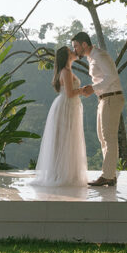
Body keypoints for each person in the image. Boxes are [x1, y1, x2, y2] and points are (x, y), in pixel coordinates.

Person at [29, 46, 88, 187]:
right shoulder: (66, 72)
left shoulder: (67, 70)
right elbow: (70, 93)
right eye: (71, 51)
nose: (74, 52)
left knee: (67, 140)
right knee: (65, 139)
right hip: (66, 106)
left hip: (68, 106)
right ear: (67, 56)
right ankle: (61, 174)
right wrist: (83, 90)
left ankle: (64, 172)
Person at [71, 32, 123, 186]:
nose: (75, 50)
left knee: (109, 138)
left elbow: (112, 76)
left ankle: (107, 175)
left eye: (76, 46)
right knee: (103, 137)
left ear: (84, 44)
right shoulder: (92, 57)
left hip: (111, 97)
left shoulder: (99, 55)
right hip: (104, 99)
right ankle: (110, 175)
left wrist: (93, 88)